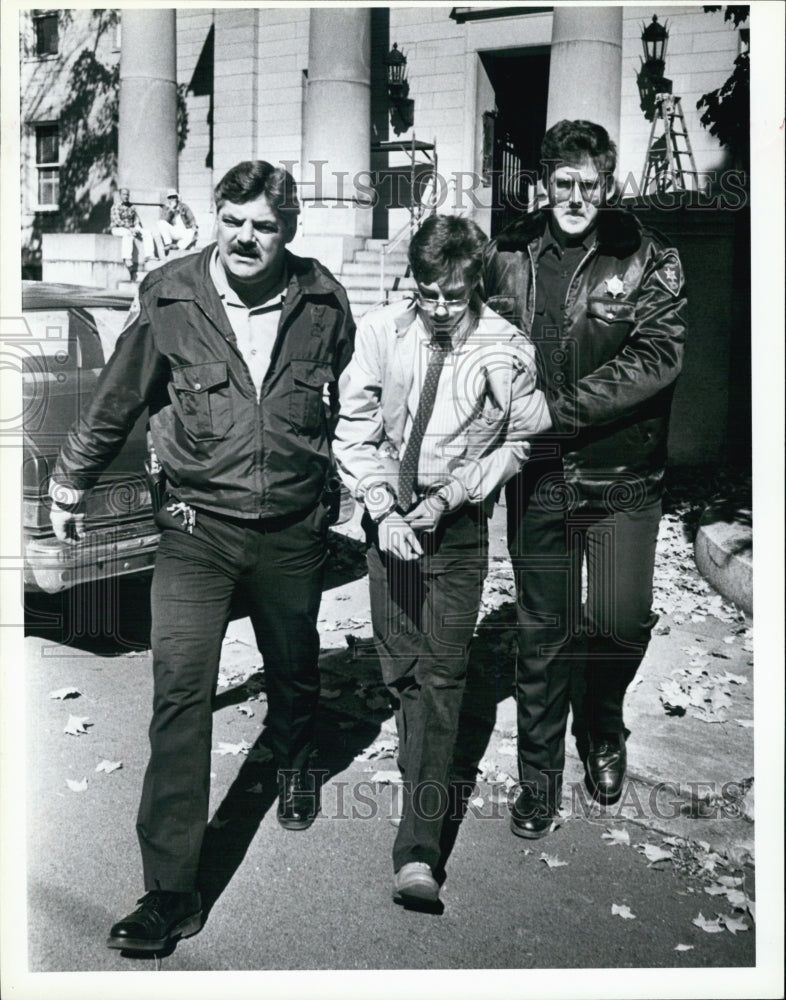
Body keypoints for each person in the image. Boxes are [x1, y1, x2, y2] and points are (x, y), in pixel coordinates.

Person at [49, 160, 355, 951]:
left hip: (290, 529)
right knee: (180, 692)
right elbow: (119, 397)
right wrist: (71, 480)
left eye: (266, 225)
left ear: (289, 229)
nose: (248, 237)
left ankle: (293, 758)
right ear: (216, 215)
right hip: (195, 528)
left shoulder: (323, 301)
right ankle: (170, 890)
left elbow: (346, 398)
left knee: (293, 663)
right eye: (235, 219)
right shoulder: (170, 296)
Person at [334, 215, 550, 907]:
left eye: (453, 296)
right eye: (427, 292)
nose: (438, 309)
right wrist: (381, 506)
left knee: (443, 672)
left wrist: (455, 494)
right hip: (389, 523)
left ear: (475, 285)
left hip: (457, 529)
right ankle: (421, 754)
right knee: (401, 667)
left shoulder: (506, 347)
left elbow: (522, 440)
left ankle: (418, 852)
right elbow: (354, 429)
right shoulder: (379, 332)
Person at [482, 119, 687, 836]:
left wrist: (556, 409)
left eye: (588, 185)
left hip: (621, 471)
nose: (575, 196)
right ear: (545, 183)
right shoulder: (505, 252)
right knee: (543, 631)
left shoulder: (647, 256)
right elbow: (464, 331)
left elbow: (659, 356)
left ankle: (601, 722)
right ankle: (538, 779)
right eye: (563, 183)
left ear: (608, 185)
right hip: (537, 476)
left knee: (620, 621)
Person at [110, 186, 155, 279]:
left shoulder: (132, 207)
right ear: (120, 195)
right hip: (118, 229)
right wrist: (130, 228)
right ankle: (127, 258)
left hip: (131, 228)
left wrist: (137, 228)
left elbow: (136, 220)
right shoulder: (115, 207)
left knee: (147, 232)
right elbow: (117, 221)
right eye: (124, 194)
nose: (126, 196)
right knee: (127, 234)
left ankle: (149, 255)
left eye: (127, 194)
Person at [156, 187, 198, 255]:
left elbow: (191, 218)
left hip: (184, 230)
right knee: (160, 223)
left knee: (192, 232)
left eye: (174, 197)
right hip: (174, 231)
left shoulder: (184, 206)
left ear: (177, 198)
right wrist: (171, 210)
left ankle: (178, 246)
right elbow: (164, 220)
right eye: (170, 197)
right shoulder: (166, 209)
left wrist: (194, 225)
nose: (172, 199)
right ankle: (168, 244)